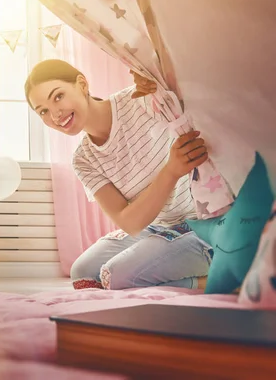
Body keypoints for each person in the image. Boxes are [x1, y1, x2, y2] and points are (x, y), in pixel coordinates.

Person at [25, 59, 212, 291]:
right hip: (161, 227)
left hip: (205, 222)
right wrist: (171, 171)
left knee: (117, 276)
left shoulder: (142, 99)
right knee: (83, 273)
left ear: (82, 84)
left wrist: (159, 78)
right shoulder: (84, 158)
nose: (55, 114)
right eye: (43, 111)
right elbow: (130, 223)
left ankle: (224, 281)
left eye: (58, 96)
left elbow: (196, 88)